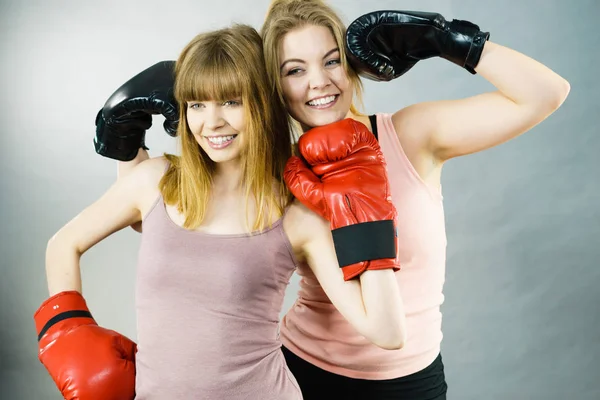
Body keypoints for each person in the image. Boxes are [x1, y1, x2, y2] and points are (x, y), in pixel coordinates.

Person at [35, 22, 407, 400]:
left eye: (231, 101)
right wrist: (68, 331)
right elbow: (63, 244)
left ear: (262, 104)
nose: (212, 122)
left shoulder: (295, 216)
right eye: (197, 104)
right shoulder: (154, 182)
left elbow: (387, 332)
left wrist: (369, 211)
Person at [257, 1, 570, 399]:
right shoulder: (277, 169)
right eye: (295, 70)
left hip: (410, 380)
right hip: (299, 374)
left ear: (353, 64)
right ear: (275, 84)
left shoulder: (408, 136)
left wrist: (443, 38)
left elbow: (546, 93)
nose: (319, 82)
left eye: (332, 61)